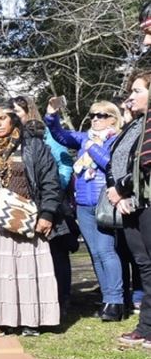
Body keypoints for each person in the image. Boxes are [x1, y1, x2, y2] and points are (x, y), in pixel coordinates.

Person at [0, 100, 61, 335]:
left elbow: (50, 182)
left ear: (13, 119)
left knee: (26, 273)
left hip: (26, 220)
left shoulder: (33, 146)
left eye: (2, 119)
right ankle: (2, 320)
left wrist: (47, 214)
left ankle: (30, 321)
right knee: (0, 275)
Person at [45, 99, 123, 320]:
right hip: (83, 203)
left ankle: (116, 301)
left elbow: (111, 164)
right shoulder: (84, 138)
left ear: (113, 119)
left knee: (107, 250)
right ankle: (107, 298)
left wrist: (93, 148)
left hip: (104, 200)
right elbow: (60, 135)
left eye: (101, 115)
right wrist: (52, 114)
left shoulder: (116, 139)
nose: (95, 119)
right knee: (95, 254)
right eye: (93, 115)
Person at [14, 95, 75, 317]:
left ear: (27, 113)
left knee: (57, 250)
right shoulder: (14, 140)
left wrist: (55, 188)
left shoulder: (47, 135)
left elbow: (64, 164)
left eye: (16, 113)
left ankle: (64, 296)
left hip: (51, 199)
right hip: (24, 203)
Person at [106, 70, 151, 346]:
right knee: (144, 264)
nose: (130, 98)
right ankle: (146, 326)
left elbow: (145, 164)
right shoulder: (135, 126)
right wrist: (119, 192)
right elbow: (121, 161)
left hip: (142, 199)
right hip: (132, 203)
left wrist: (121, 189)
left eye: (137, 91)